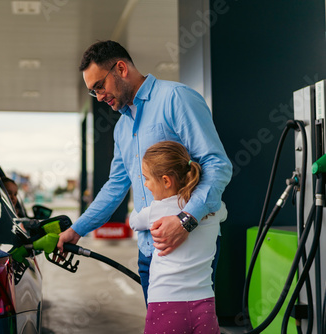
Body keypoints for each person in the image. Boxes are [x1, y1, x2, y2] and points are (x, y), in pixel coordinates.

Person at [56, 40, 232, 301]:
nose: (100, 97)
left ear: (121, 69)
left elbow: (217, 165)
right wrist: (76, 230)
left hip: (188, 246)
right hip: (148, 252)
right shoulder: (122, 128)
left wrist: (186, 220)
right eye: (93, 92)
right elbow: (115, 187)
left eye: (99, 86)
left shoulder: (176, 98)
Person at [130, 141, 226, 334]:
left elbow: (133, 221)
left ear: (166, 181)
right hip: (205, 305)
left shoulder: (155, 211)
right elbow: (223, 213)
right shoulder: (215, 208)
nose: (146, 184)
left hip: (165, 307)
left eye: (147, 179)